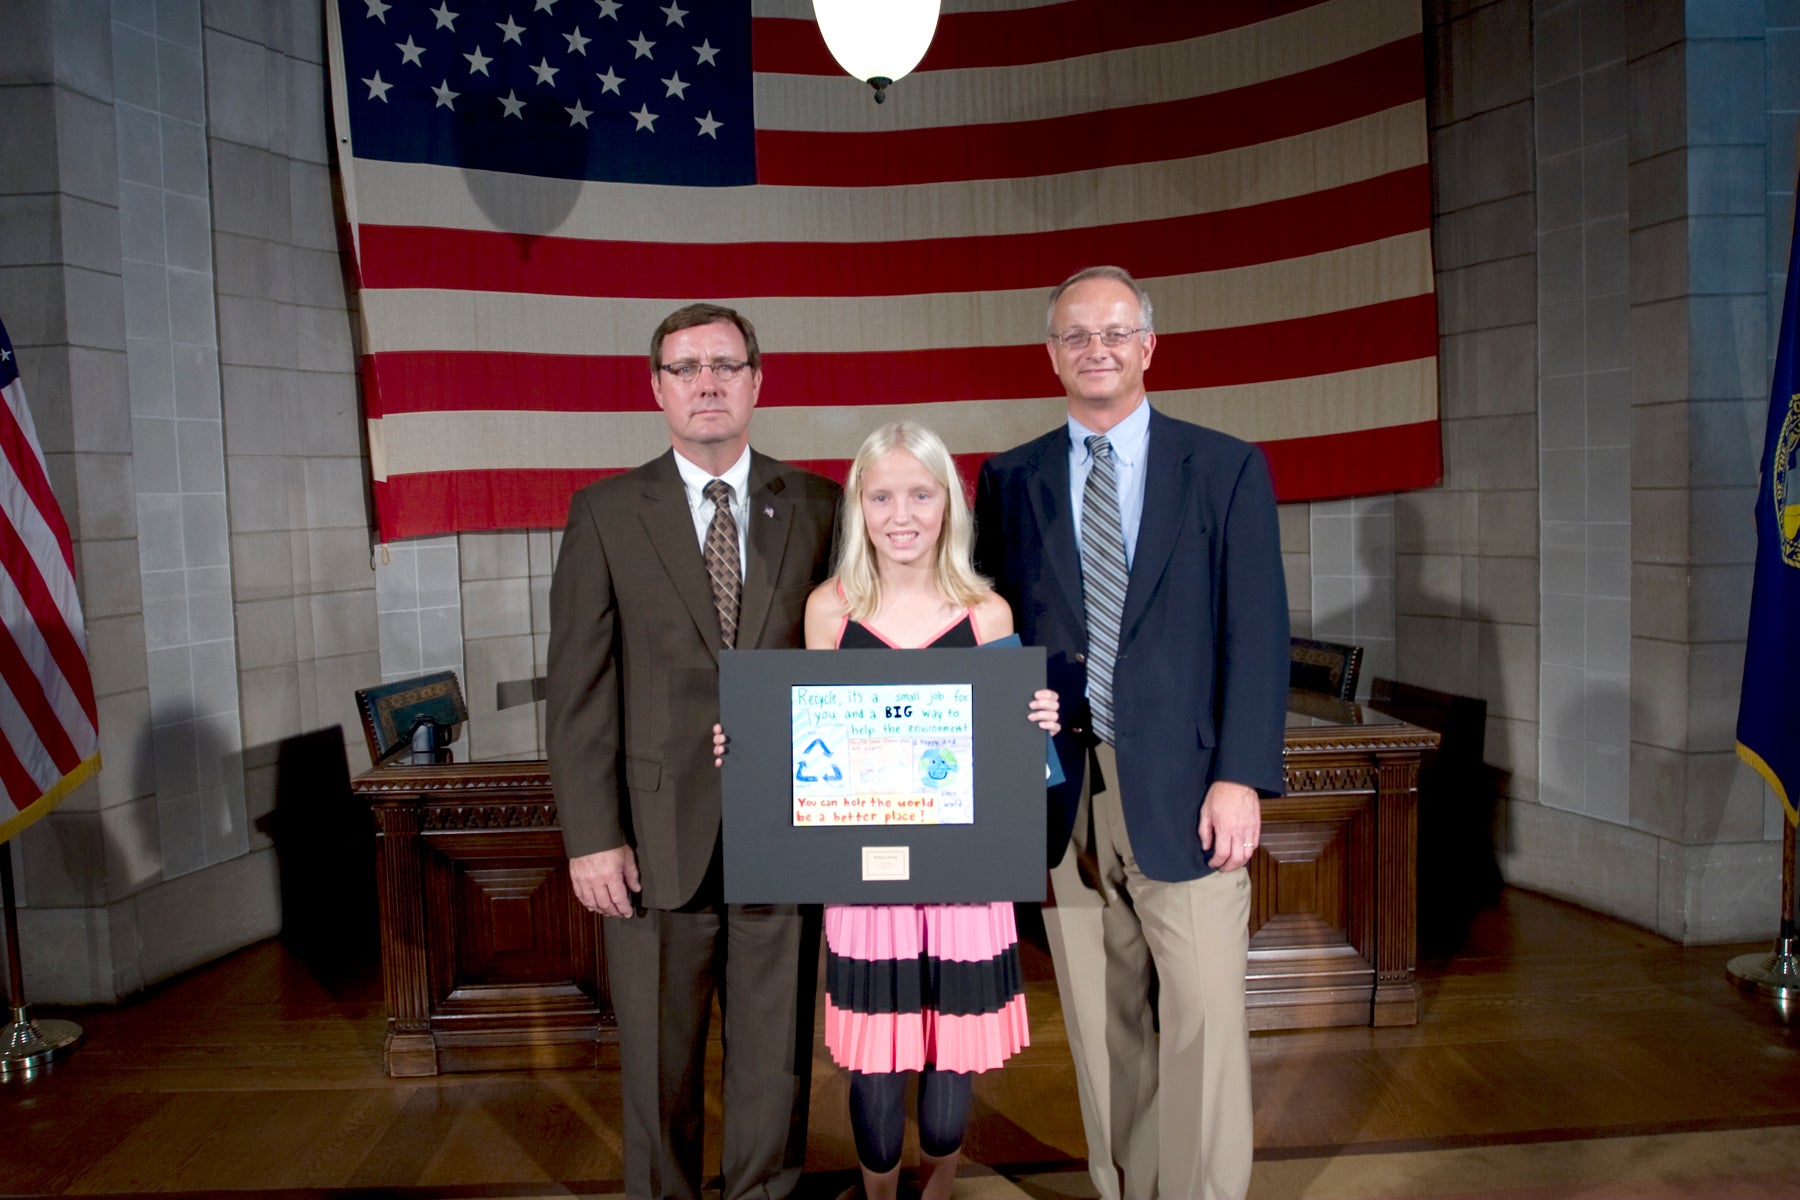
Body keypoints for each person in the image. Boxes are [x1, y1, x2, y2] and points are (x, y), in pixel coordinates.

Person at [973, 267, 1289, 1200]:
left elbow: (1257, 633)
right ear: (1051, 355)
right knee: (1104, 1035)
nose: (1097, 349)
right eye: (1076, 335)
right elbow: (988, 632)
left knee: (1203, 1025)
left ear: (1149, 346)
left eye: (1115, 332)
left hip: (1191, 792)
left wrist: (1240, 776)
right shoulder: (1009, 479)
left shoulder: (1224, 467)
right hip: (1064, 794)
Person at [545, 302, 840, 1200]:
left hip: (785, 829)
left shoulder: (820, 505)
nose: (706, 383)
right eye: (685, 368)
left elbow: (854, 663)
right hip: (654, 835)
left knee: (776, 1064)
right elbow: (579, 688)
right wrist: (592, 836)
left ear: (757, 381)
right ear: (657, 389)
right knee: (659, 1069)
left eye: (724, 365)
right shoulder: (604, 513)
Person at [733, 421, 1058, 1200]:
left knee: (952, 1061)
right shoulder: (829, 612)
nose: (901, 515)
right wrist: (747, 742)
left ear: (949, 504)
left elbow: (1009, 764)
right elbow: (807, 737)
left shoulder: (987, 614)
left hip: (966, 882)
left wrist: (1034, 726)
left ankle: (938, 1190)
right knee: (876, 1067)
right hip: (866, 879)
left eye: (920, 494)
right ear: (859, 507)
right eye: (882, 497)